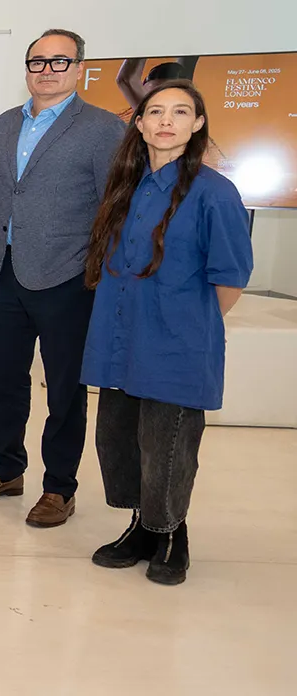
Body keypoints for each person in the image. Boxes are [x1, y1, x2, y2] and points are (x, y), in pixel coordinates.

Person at [82, 80, 253, 585]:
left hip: (176, 341)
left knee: (168, 444)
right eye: (155, 111)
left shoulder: (214, 192)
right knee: (122, 439)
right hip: (121, 336)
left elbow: (231, 277)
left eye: (180, 112)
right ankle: (141, 526)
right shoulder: (126, 186)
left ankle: (171, 533)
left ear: (197, 124)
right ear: (138, 123)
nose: (166, 121)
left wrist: (189, 324)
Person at [0, 29, 126, 528]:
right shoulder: (4, 125)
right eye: (38, 61)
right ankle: (6, 468)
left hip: (67, 276)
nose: (47, 70)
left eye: (59, 61)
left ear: (80, 69)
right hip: (0, 273)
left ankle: (59, 487)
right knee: (1, 381)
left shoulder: (102, 128)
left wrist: (100, 272)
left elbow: (113, 206)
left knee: (64, 390)